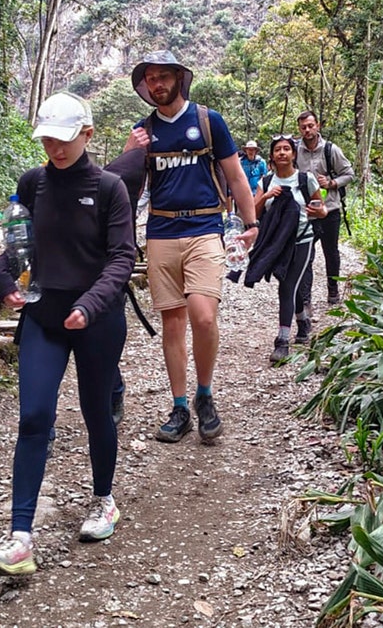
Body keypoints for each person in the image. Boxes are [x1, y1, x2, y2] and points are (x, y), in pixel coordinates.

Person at [0, 92, 136, 577]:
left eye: (63, 138)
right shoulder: (32, 183)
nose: (55, 147)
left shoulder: (110, 188)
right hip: (45, 318)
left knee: (95, 412)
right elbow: (16, 246)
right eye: (47, 138)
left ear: (87, 135)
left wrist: (89, 306)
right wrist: (4, 281)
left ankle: (104, 501)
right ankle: (20, 537)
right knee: (34, 417)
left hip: (97, 320)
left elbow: (123, 257)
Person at [123, 50, 258, 444]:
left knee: (203, 315)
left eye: (165, 76)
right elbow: (126, 187)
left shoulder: (208, 121)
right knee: (172, 323)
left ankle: (205, 395)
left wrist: (251, 224)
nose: (158, 84)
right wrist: (131, 151)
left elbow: (235, 175)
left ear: (179, 80)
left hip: (204, 228)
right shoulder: (142, 131)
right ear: (145, 86)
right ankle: (180, 406)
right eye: (151, 78)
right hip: (161, 232)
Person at [247, 135, 325, 363]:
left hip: (302, 239)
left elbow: (321, 210)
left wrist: (317, 212)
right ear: (271, 156)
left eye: (286, 149)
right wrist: (268, 196)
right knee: (288, 283)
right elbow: (252, 211)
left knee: (288, 285)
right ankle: (302, 321)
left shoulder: (305, 179)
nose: (282, 153)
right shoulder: (266, 181)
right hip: (276, 241)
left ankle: (282, 341)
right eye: (277, 150)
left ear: (293, 154)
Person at [295, 111, 354, 306]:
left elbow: (349, 173)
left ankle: (333, 291)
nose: (307, 130)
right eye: (303, 127)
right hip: (306, 212)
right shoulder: (295, 150)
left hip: (330, 209)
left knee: (331, 252)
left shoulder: (330, 149)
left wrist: (331, 183)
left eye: (311, 126)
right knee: (305, 254)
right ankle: (305, 298)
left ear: (317, 126)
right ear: (299, 129)